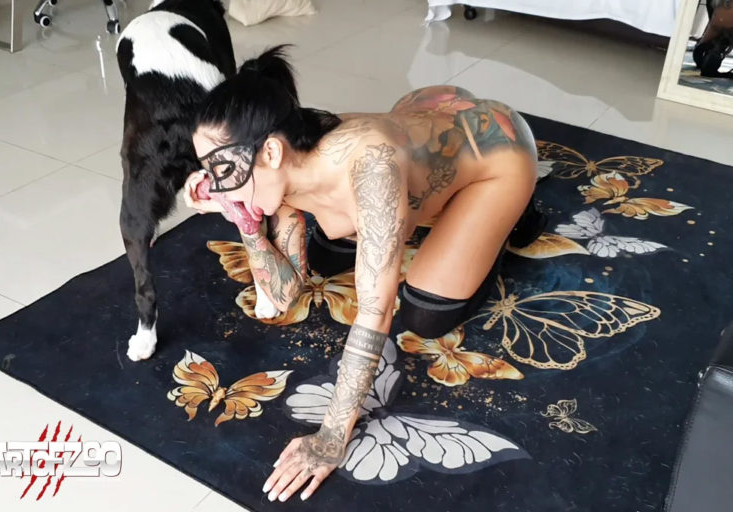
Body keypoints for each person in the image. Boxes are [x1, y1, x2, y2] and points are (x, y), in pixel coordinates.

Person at [183, 46, 544, 502]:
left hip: (498, 149)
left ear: (270, 151)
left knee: (425, 314)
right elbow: (286, 293)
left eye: (221, 169)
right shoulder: (283, 165)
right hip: (426, 116)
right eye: (207, 171)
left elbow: (376, 311)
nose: (215, 185)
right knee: (328, 255)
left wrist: (331, 438)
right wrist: (244, 220)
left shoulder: (371, 169)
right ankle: (445, 213)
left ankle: (514, 214)